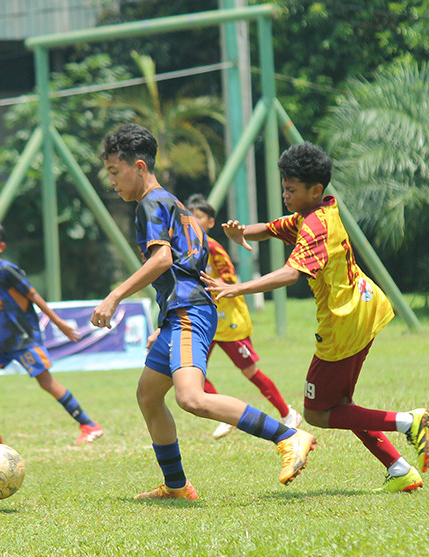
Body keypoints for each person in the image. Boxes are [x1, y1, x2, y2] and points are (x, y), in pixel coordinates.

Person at [91, 123, 316, 500]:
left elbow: (162, 259)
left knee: (191, 398)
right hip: (181, 312)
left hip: (187, 311)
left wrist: (115, 295)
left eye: (115, 172)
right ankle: (176, 485)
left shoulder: (150, 204)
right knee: (148, 395)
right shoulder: (173, 204)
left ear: (140, 166)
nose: (112, 182)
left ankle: (289, 435)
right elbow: (186, 263)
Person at [201, 142, 429, 494]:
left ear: (315, 190)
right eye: (284, 187)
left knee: (316, 413)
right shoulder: (319, 211)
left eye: (290, 190)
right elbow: (273, 228)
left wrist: (237, 288)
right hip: (364, 307)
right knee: (341, 404)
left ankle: (407, 421)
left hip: (343, 323)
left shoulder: (315, 228)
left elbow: (290, 274)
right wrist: (241, 232)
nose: (284, 195)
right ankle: (399, 468)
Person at [0, 222, 105, 447]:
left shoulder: (7, 270)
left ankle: (89, 425)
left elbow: (34, 296)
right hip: (2, 343)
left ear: (0, 246)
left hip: (23, 340)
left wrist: (59, 322)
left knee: (46, 382)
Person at [185, 193, 302, 440]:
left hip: (229, 321)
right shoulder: (189, 248)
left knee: (250, 372)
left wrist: (214, 283)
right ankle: (224, 416)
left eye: (199, 217)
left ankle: (286, 412)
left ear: (210, 222)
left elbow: (230, 280)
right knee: (191, 372)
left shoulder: (213, 248)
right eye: (190, 217)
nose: (194, 221)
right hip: (206, 321)